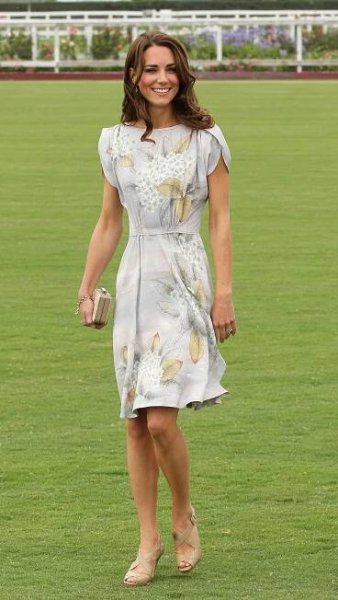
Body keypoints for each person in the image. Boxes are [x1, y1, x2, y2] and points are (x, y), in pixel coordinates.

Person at [77, 30, 236, 587]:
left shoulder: (205, 140)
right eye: (150, 69)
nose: (161, 77)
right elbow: (108, 222)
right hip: (135, 283)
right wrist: (86, 283)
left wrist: (224, 292)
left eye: (169, 67)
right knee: (137, 422)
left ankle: (182, 513)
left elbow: (219, 221)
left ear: (182, 73)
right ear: (132, 76)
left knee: (163, 419)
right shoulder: (113, 142)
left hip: (184, 282)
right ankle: (146, 542)